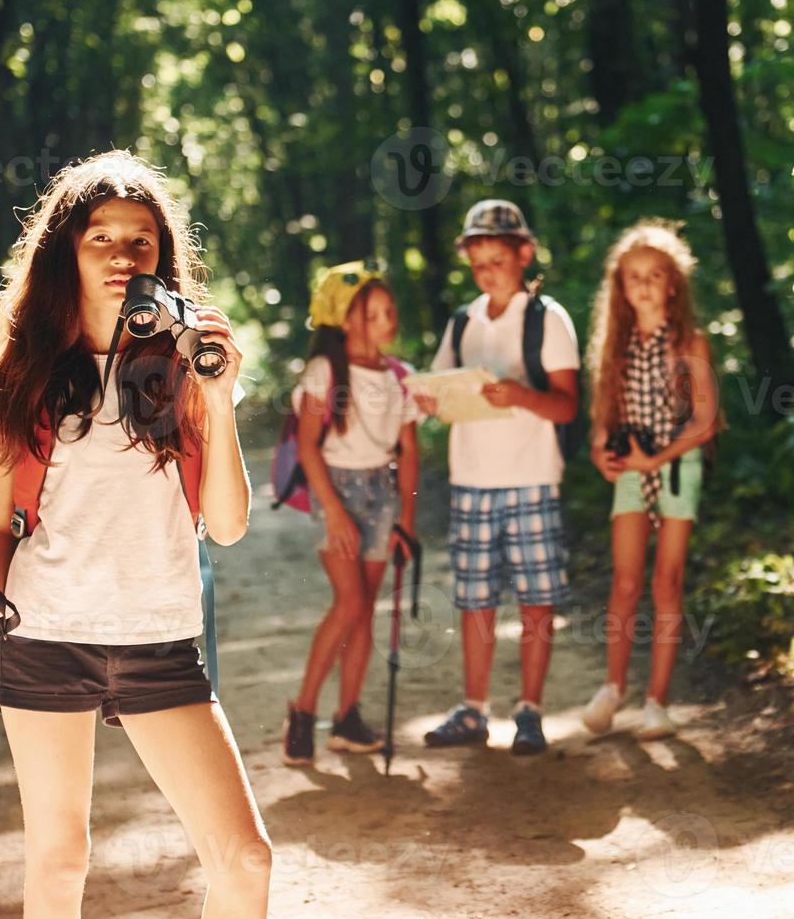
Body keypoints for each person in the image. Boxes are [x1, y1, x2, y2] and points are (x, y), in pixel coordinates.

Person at [0, 151, 271, 917]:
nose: (123, 256)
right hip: (43, 633)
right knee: (59, 864)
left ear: (164, 258)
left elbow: (226, 526)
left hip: (159, 640)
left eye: (141, 242)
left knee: (245, 859)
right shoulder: (20, 372)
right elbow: (1, 530)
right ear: (66, 252)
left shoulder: (185, 369)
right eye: (101, 238)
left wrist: (220, 403)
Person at [416, 199, 580, 756]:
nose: (488, 271)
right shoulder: (464, 321)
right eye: (478, 262)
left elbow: (566, 407)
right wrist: (429, 401)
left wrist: (519, 395)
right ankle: (475, 709)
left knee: (536, 599)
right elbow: (438, 390)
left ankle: (530, 710)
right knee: (476, 599)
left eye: (498, 259)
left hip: (533, 477)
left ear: (524, 255)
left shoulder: (546, 318)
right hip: (472, 478)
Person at [580, 219, 722, 740]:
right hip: (630, 467)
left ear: (673, 284)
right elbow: (605, 415)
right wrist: (602, 448)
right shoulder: (617, 345)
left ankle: (657, 701)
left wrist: (655, 459)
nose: (642, 285)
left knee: (667, 580)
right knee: (624, 580)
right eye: (631, 275)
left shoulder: (688, 342)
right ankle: (613, 687)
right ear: (619, 286)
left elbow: (703, 422)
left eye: (653, 275)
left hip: (676, 467)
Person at [282, 263, 419, 766]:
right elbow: (309, 448)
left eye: (389, 313)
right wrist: (334, 513)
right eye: (373, 313)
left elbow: (408, 450)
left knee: (364, 609)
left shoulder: (399, 376)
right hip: (337, 490)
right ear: (344, 321)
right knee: (349, 602)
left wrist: (406, 516)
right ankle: (302, 710)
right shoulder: (326, 374)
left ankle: (347, 718)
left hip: (382, 494)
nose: (386, 321)